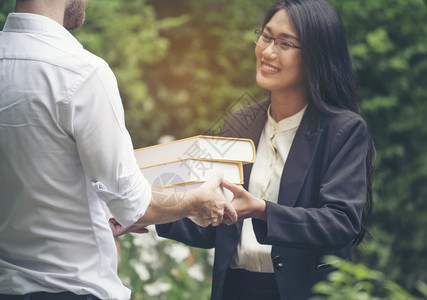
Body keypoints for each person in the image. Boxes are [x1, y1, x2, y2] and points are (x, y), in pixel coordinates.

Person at [0, 0, 236, 299]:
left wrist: (90, 216)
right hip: (77, 291)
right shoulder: (82, 72)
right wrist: (197, 201)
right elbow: (133, 205)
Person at [156, 0, 375, 299]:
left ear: (316, 55)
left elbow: (341, 222)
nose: (268, 51)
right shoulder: (240, 122)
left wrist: (262, 211)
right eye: (266, 37)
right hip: (235, 289)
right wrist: (146, 213)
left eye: (286, 43)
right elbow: (213, 226)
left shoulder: (343, 130)